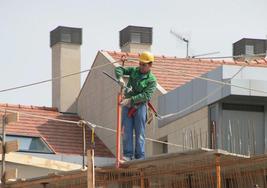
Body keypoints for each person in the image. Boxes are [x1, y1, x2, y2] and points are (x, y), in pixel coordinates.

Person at [115, 51, 157, 161]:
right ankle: (128, 155)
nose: (141, 67)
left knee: (140, 133)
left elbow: (146, 95)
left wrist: (131, 100)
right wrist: (120, 78)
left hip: (140, 107)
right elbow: (119, 69)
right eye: (140, 64)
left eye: (144, 65)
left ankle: (139, 156)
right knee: (127, 131)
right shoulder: (134, 71)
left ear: (150, 65)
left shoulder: (151, 80)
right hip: (127, 106)